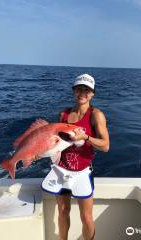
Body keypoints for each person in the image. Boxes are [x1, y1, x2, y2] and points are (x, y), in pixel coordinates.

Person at [56, 73, 110, 240]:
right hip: (62, 170)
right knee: (63, 211)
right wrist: (39, 152)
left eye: (87, 90)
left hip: (83, 172)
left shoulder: (96, 115)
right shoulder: (64, 115)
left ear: (93, 93)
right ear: (74, 91)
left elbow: (106, 145)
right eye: (79, 89)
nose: (82, 93)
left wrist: (86, 137)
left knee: (86, 217)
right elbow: (56, 141)